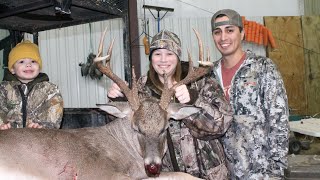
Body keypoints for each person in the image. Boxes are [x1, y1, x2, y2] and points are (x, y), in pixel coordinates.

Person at [107, 29, 233, 179]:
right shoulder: (139, 90)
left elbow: (221, 125)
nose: (163, 60)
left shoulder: (201, 82)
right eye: (157, 54)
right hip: (165, 174)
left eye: (169, 54)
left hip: (208, 174)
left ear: (178, 57)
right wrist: (117, 100)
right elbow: (122, 131)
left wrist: (194, 100)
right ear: (151, 58)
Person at [210, 9, 289, 179]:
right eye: (217, 32)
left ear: (242, 33)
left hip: (260, 172)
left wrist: (276, 171)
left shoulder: (263, 68)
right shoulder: (209, 75)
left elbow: (279, 122)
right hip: (222, 173)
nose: (223, 37)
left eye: (230, 30)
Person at [0, 40, 64, 130]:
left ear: (39, 67)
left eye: (33, 61)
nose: (28, 65)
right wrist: (2, 124)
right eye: (22, 62)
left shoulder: (50, 89)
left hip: (39, 137)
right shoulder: (4, 89)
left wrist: (44, 126)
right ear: (12, 69)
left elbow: (55, 110)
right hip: (12, 138)